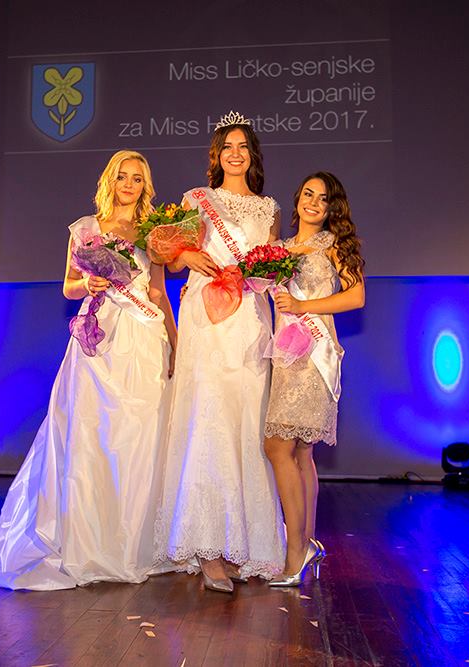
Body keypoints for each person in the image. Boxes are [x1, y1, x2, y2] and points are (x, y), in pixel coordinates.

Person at [0, 150, 176, 589]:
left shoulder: (153, 233)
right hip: (98, 338)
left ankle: (136, 539)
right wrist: (90, 282)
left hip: (142, 340)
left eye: (137, 178)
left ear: (146, 186)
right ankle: (86, 536)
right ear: (110, 180)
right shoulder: (86, 229)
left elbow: (157, 292)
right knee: (90, 433)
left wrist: (176, 344)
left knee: (141, 435)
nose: (129, 184)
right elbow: (68, 286)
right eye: (122, 176)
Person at [154, 112, 285, 592]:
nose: (235, 153)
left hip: (249, 318)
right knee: (208, 418)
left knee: (245, 421)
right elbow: (168, 255)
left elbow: (274, 266)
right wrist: (184, 255)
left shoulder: (268, 209)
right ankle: (208, 549)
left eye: (243, 146)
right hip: (206, 316)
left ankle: (240, 544)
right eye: (227, 146)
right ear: (216, 155)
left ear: (252, 155)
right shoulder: (197, 199)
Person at [263, 171, 365, 586]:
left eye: (323, 199)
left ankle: (294, 553)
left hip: (314, 357)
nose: (313, 203)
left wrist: (304, 305)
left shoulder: (333, 245)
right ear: (298, 198)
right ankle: (305, 542)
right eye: (308, 194)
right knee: (302, 453)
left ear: (330, 209)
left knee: (277, 446)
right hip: (285, 356)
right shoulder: (279, 250)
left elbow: (356, 296)